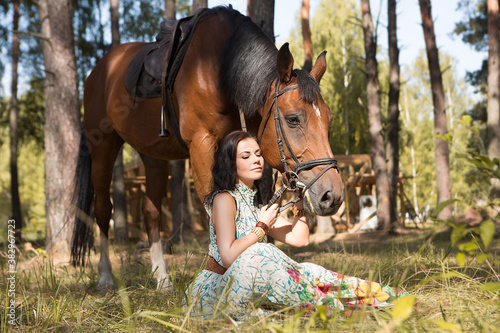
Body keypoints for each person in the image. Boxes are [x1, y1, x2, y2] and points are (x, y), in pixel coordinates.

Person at [187, 131, 407, 319]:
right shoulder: (224, 199)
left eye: (258, 154)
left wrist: (299, 201)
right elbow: (227, 256)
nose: (256, 160)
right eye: (246, 156)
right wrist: (262, 227)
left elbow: (299, 239)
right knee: (261, 252)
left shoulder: (256, 205)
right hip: (216, 289)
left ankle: (378, 298)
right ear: (230, 163)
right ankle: (332, 307)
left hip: (247, 284)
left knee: (308, 270)